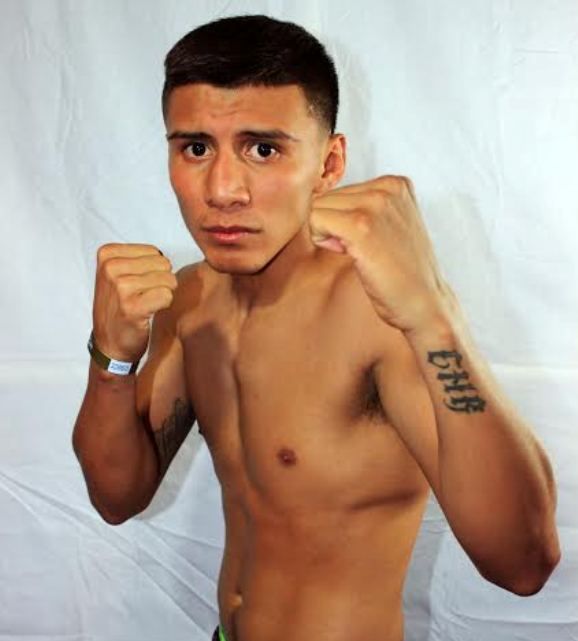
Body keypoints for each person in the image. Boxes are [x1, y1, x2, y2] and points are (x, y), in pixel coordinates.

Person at [72, 14, 561, 641]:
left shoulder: (377, 314)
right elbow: (117, 498)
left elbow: (524, 565)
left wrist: (432, 317)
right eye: (195, 148)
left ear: (329, 164)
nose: (223, 190)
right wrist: (111, 357)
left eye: (263, 149)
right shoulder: (189, 299)